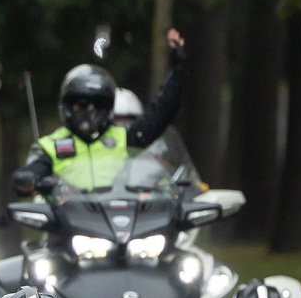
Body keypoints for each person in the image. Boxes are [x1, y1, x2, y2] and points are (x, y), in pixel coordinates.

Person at [10, 33, 189, 198]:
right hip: (67, 220)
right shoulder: (51, 146)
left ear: (108, 107)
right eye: (81, 104)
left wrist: (177, 71)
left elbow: (159, 115)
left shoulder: (123, 139)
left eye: (97, 104)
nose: (89, 111)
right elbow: (31, 174)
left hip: (118, 217)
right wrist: (28, 178)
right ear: (67, 106)